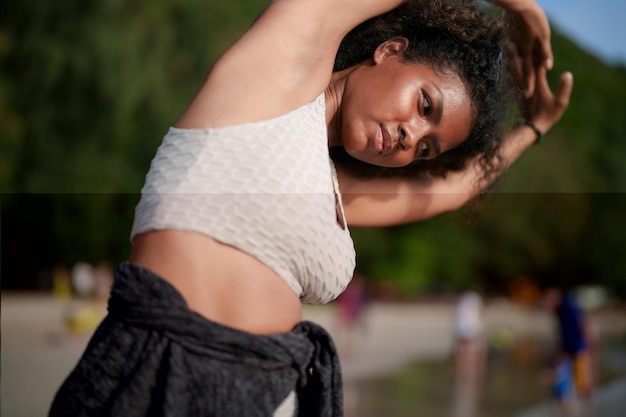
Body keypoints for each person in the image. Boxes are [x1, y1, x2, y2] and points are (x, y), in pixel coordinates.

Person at [49, 0, 573, 415]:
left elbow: (447, 191)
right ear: (390, 51)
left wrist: (534, 129)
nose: (413, 137)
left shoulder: (328, 189)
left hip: (271, 391)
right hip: (165, 372)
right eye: (425, 104)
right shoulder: (274, 84)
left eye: (427, 146)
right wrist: (521, 6)